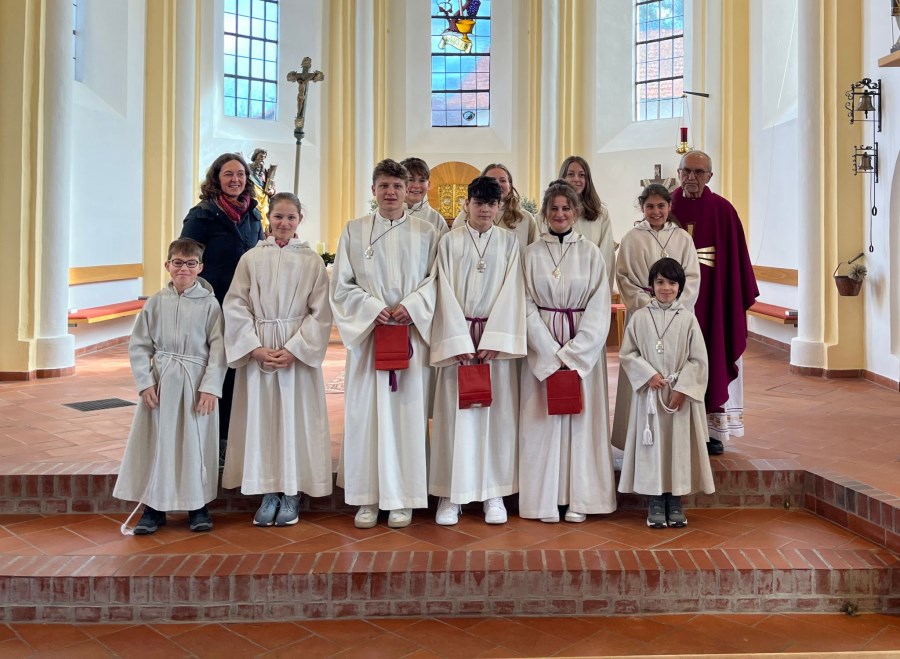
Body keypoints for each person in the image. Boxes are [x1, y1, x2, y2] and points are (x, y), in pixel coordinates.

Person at [330, 159, 440, 529]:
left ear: (408, 189)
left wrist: (412, 306)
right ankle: (367, 499)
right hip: (370, 337)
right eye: (383, 186)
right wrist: (372, 308)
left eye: (397, 185)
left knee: (406, 416)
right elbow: (341, 284)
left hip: (409, 336)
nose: (390, 192)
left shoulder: (426, 233)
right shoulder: (355, 231)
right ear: (373, 190)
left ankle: (403, 499)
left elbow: (436, 280)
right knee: (366, 417)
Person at [221, 193, 333, 527]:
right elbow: (235, 304)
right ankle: (269, 489)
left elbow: (321, 312)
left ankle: (293, 491)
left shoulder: (311, 261)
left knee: (294, 420)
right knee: (263, 419)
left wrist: (297, 349)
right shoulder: (251, 259)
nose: (284, 224)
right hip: (261, 351)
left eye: (291, 218)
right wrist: (254, 348)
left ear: (300, 220)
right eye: (279, 217)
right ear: (269, 218)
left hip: (295, 355)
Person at [113, 238, 227, 535]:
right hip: (162, 383)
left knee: (194, 444)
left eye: (191, 264)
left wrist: (211, 387)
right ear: (168, 265)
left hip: (194, 383)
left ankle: (197, 505)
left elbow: (219, 347)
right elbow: (139, 345)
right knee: (159, 444)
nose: (184, 269)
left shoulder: (209, 304)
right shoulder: (156, 302)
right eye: (177, 262)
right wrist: (145, 382)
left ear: (200, 267)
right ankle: (154, 507)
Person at [429, 176, 526, 526]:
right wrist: (457, 341)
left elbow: (514, 291)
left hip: (491, 348)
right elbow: (442, 292)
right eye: (478, 202)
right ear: (466, 204)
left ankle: (493, 492)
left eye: (491, 203)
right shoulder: (449, 243)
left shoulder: (510, 244)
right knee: (454, 418)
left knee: (496, 420)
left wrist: (494, 341)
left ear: (499, 207)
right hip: (459, 345)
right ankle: (448, 494)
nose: (485, 209)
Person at [519, 180, 616, 523]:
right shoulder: (530, 254)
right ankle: (544, 500)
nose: (560, 214)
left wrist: (574, 354)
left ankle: (581, 498)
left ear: (575, 212)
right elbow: (525, 304)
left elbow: (599, 305)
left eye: (566, 208)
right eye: (554, 208)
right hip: (542, 348)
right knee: (542, 422)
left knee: (581, 421)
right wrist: (548, 351)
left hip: (581, 352)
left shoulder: (590, 252)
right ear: (544, 213)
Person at [670, 150, 759, 456]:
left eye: (698, 172)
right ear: (678, 172)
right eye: (686, 171)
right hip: (674, 302)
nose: (691, 178)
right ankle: (675, 426)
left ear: (710, 176)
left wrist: (732, 298)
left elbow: (737, 263)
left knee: (714, 354)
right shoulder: (665, 207)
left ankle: (712, 430)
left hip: (715, 302)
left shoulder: (723, 210)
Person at [616, 258, 714, 528]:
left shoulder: (688, 319)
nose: (666, 288)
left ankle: (674, 500)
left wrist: (682, 388)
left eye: (672, 283)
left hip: (677, 399)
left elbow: (699, 360)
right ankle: (655, 500)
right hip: (650, 394)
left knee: (675, 447)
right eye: (660, 282)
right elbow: (628, 353)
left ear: (680, 287)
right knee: (652, 446)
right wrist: (648, 374)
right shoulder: (639, 317)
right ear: (651, 285)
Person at [181, 153, 265, 465]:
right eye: (228, 174)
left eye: (241, 174)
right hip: (211, 304)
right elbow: (187, 258)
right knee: (213, 371)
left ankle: (232, 439)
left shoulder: (253, 215)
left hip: (243, 307)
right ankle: (209, 440)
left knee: (237, 371)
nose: (236, 180)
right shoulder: (202, 214)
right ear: (216, 178)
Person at [611, 183, 701, 451]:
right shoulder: (631, 237)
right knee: (643, 372)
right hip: (643, 315)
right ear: (642, 208)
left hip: (677, 318)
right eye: (650, 206)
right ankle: (637, 437)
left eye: (661, 206)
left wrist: (674, 305)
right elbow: (624, 277)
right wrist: (648, 304)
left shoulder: (683, 238)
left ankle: (674, 439)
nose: (656, 211)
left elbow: (693, 277)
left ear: (669, 207)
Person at [540, 156, 616, 288]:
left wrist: (598, 287)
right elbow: (541, 253)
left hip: (590, 285)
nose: (576, 179)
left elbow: (606, 255)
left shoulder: (600, 213)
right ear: (562, 177)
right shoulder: (547, 214)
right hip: (554, 284)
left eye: (582, 175)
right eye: (570, 174)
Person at [455, 163, 538, 254]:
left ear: (509, 186)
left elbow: (533, 253)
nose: (497, 184)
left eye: (502, 180)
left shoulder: (525, 218)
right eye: (491, 180)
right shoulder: (465, 215)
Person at [400, 157, 449, 237]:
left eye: (422, 180)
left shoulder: (437, 220)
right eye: (411, 180)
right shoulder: (384, 214)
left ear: (429, 185)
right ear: (399, 183)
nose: (416, 186)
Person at [248, 148, 275, 230]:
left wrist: (271, 191)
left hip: (263, 199)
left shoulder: (266, 172)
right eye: (260, 156)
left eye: (264, 157)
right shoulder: (247, 169)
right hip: (251, 198)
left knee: (264, 218)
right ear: (255, 156)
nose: (262, 159)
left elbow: (272, 186)